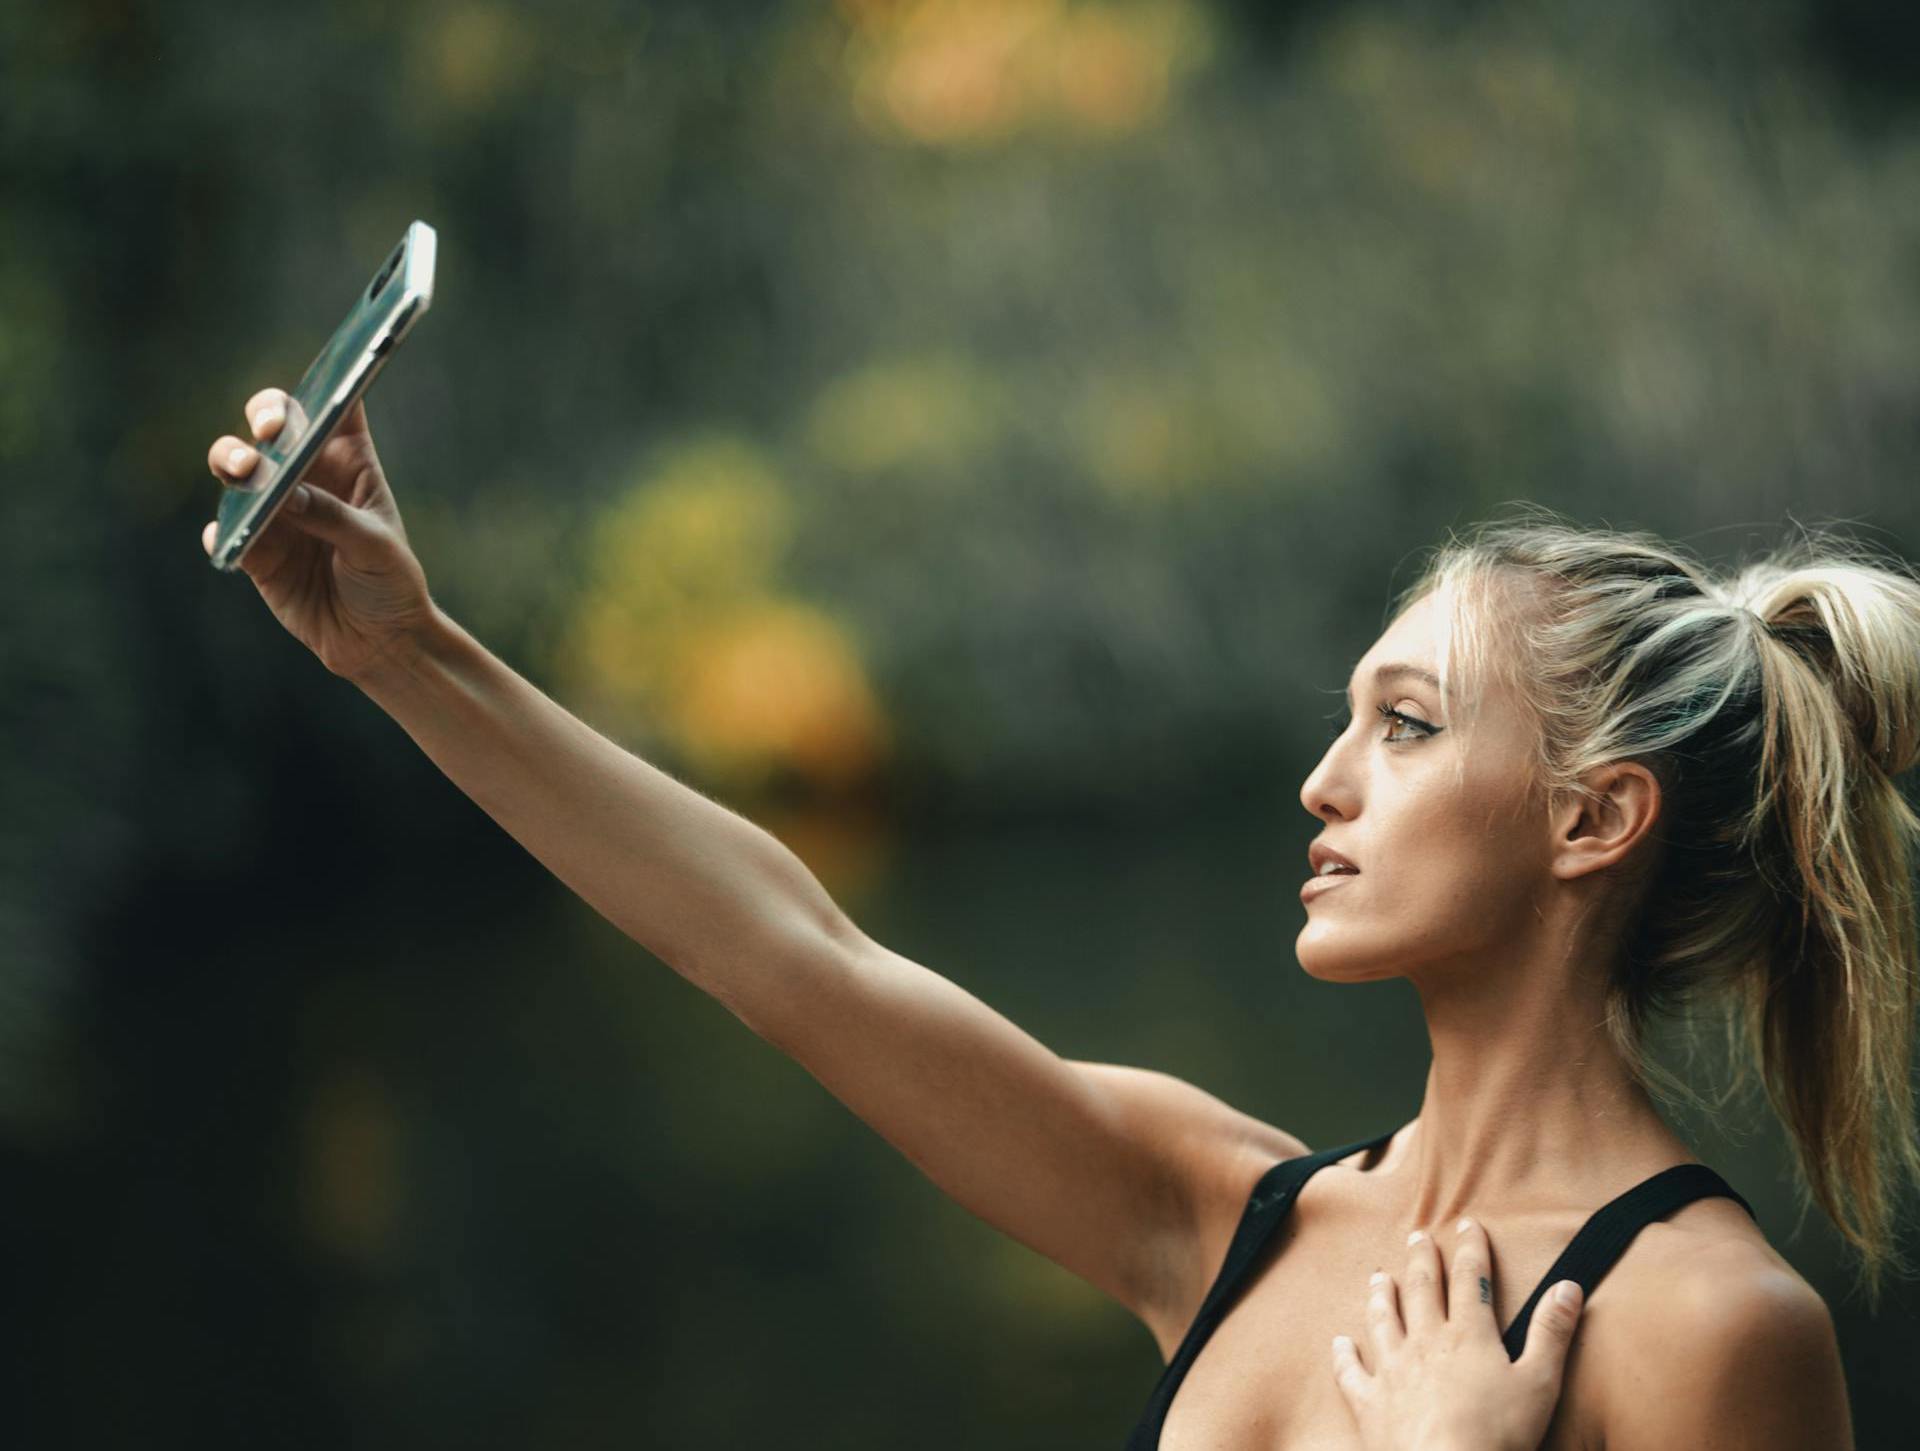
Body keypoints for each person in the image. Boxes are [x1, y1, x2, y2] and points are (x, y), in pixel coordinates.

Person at [202, 390, 1898, 1450]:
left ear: (1593, 817)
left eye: (1405, 723)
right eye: (1343, 718)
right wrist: (404, 653)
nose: (1322, 782)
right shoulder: (1222, 1212)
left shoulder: (1711, 1332)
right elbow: (789, 951)